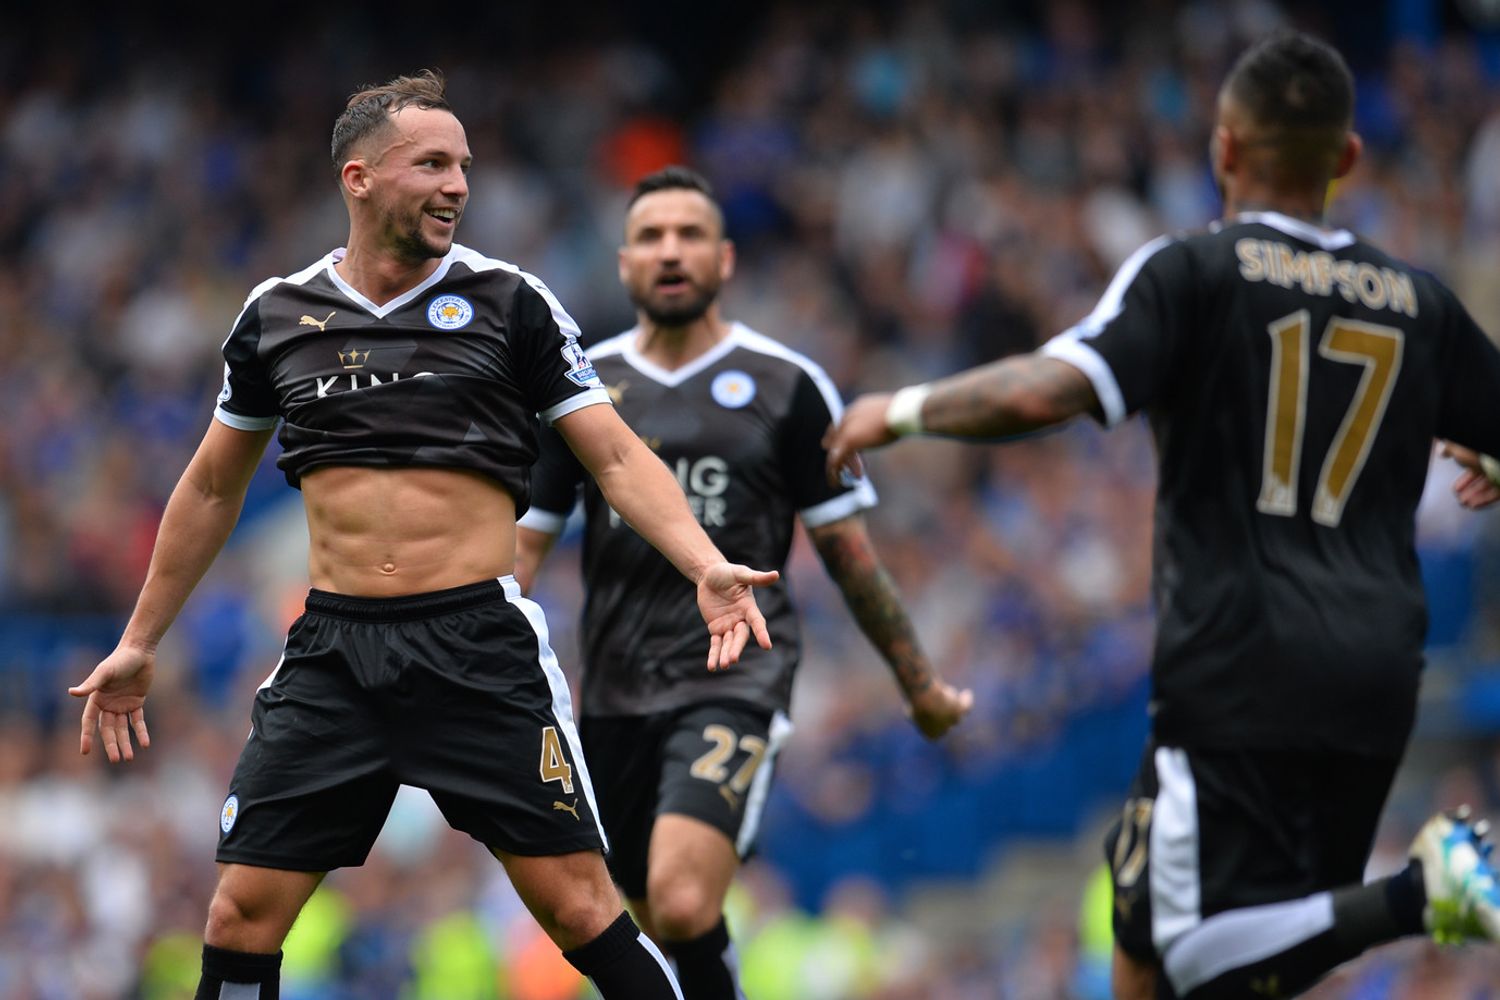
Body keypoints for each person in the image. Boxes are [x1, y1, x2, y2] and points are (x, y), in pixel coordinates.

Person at [68, 71, 783, 1000]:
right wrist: (140, 641)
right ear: (359, 177)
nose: (458, 185)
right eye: (433, 164)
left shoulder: (511, 302)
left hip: (475, 646)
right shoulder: (276, 314)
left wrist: (704, 565)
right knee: (240, 916)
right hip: (333, 654)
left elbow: (614, 454)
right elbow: (210, 486)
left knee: (580, 908)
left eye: (464, 167)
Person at [825, 30, 1500, 1000]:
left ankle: (1416, 894)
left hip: (1239, 657)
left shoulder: (1196, 271)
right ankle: (1395, 900)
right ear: (1347, 157)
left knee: (1191, 955)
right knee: (1160, 941)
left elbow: (1048, 389)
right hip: (1376, 667)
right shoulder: (1418, 304)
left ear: (1224, 148)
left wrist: (899, 408)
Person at [513, 166, 973, 999]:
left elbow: (851, 558)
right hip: (614, 691)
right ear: (624, 263)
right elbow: (522, 553)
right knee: (644, 921)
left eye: (690, 235)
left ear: (725, 259)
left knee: (683, 900)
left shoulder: (787, 386)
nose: (671, 252)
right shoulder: (579, 391)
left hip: (735, 678)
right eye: (651, 237)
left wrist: (920, 685)